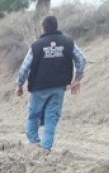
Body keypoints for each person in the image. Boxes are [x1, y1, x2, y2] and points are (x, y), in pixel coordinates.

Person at [16, 15, 87, 152]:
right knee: (51, 117)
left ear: (43, 28)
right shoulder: (68, 42)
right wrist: (77, 79)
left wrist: (19, 84)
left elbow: (25, 67)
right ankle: (46, 148)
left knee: (33, 115)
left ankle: (33, 144)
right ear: (56, 26)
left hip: (38, 87)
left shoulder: (36, 45)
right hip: (58, 87)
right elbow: (82, 59)